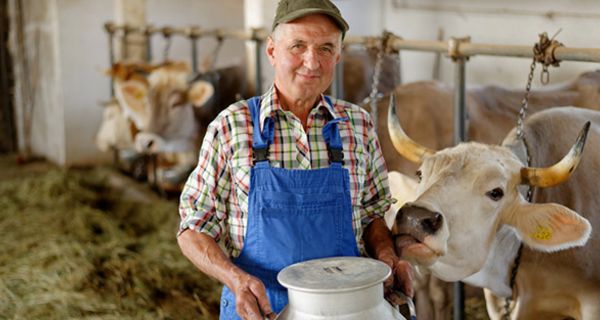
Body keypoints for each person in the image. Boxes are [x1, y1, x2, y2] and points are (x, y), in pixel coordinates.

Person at [177, 0, 413, 319]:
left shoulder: (357, 126)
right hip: (260, 310)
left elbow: (373, 214)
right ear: (272, 51)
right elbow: (193, 227)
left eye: (326, 48)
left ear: (338, 56)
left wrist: (387, 256)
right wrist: (235, 280)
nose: (312, 62)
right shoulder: (232, 127)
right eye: (298, 46)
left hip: (347, 310)